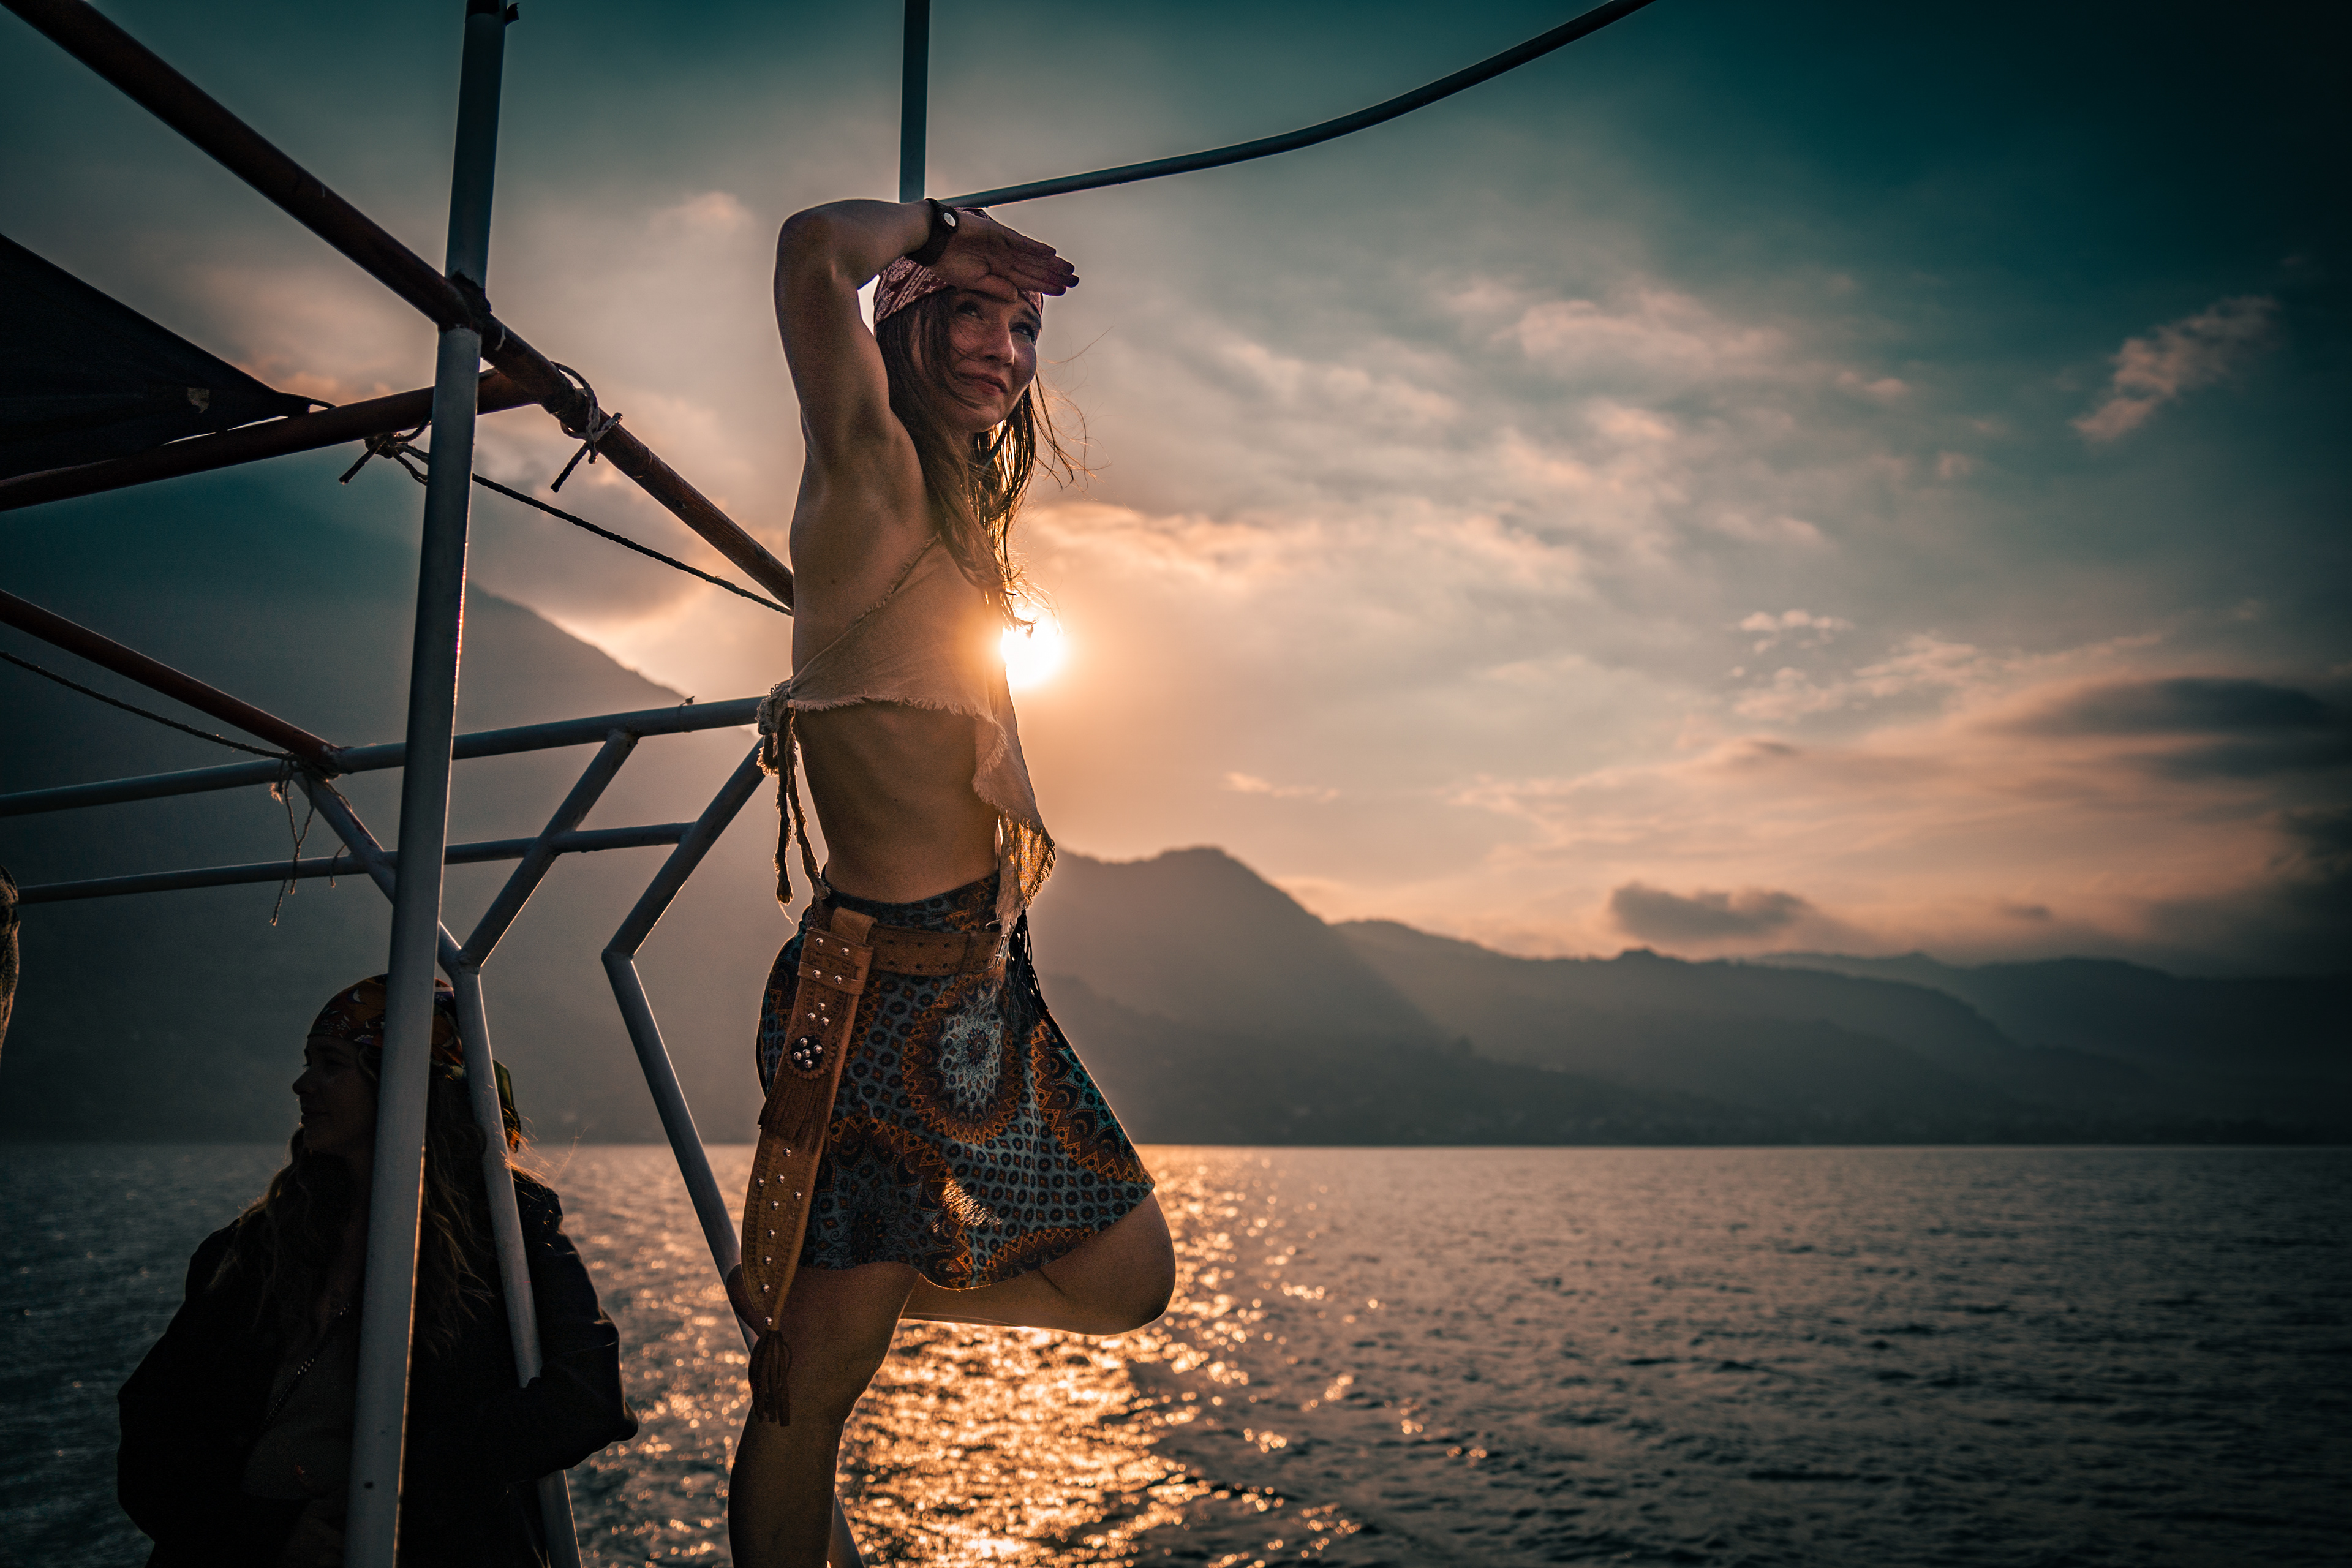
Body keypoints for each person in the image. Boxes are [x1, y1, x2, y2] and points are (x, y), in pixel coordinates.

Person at [728, 197, 1176, 1566]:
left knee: (1129, 1278)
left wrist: (957, 264)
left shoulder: (961, 506)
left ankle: (833, 1295)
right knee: (810, 1405)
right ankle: (824, 1312)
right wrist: (943, 227)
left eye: (1023, 322)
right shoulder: (864, 468)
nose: (1002, 342)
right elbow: (814, 246)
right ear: (907, 322)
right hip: (884, 993)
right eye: (971, 311)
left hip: (976, 986)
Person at [116, 976, 637, 1566]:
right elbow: (152, 1428)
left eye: (331, 1064)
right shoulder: (249, 1250)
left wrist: (386, 1499)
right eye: (308, 1062)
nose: (301, 1084)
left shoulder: (505, 1234)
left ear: (400, 1082)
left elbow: (588, 1397)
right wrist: (268, 1534)